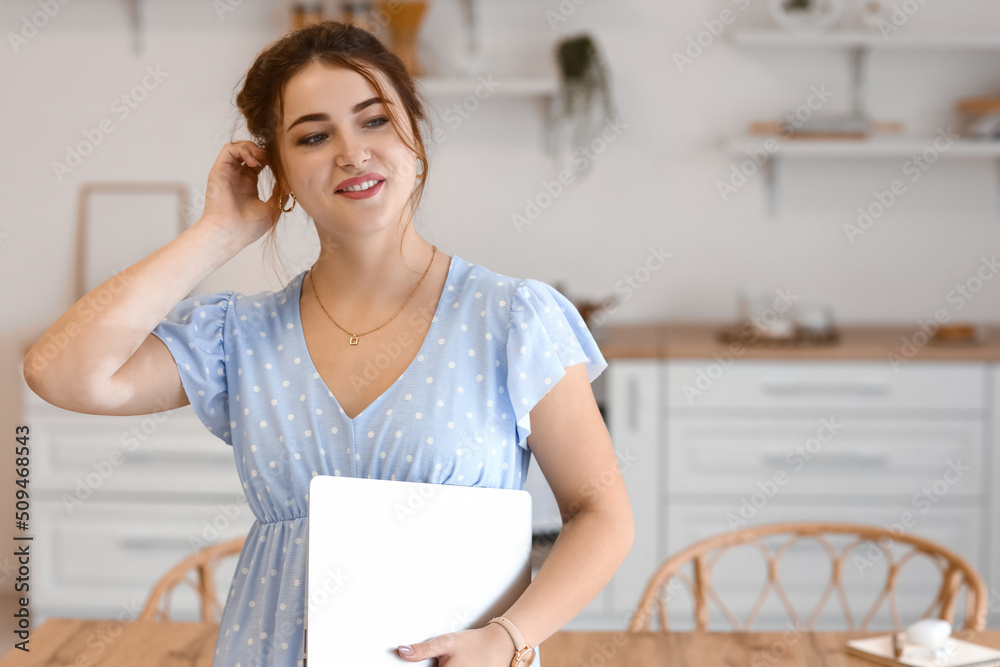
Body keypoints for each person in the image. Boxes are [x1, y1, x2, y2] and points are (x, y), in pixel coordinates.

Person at [22, 21, 633, 667]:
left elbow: (601, 513)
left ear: (415, 140)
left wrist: (508, 637)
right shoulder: (239, 336)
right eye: (313, 136)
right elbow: (63, 373)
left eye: (374, 121)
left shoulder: (513, 317)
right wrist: (217, 232)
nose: (351, 151)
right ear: (279, 172)